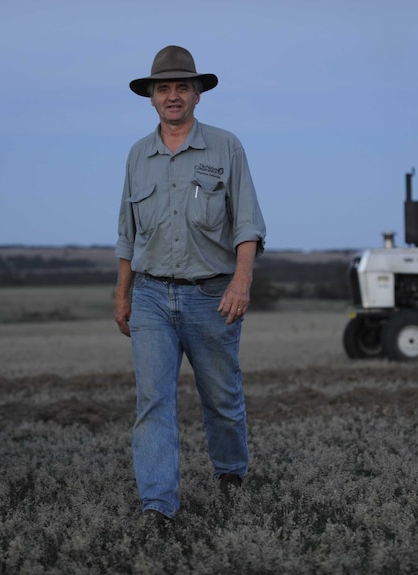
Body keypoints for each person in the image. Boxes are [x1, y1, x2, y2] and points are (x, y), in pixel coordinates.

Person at [113, 45, 266, 524]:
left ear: (197, 94)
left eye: (182, 86)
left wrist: (241, 282)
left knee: (221, 398)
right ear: (152, 98)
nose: (173, 95)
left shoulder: (227, 147)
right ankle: (158, 507)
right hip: (152, 296)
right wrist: (123, 294)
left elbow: (248, 225)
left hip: (211, 295)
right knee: (153, 401)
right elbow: (127, 233)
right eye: (164, 88)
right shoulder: (138, 155)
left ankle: (230, 477)